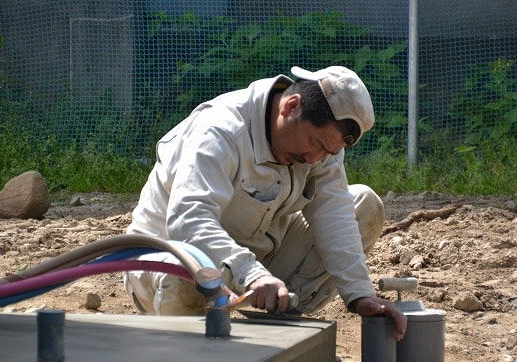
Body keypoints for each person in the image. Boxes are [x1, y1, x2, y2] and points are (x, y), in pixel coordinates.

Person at [124, 65, 407, 340]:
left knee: (364, 205)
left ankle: (276, 325)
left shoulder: (320, 147)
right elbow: (189, 222)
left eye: (328, 152)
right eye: (316, 144)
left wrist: (360, 295)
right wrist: (251, 274)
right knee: (191, 268)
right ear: (290, 106)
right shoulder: (221, 131)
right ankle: (191, 355)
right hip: (166, 263)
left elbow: (335, 215)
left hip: (251, 266)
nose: (314, 160)